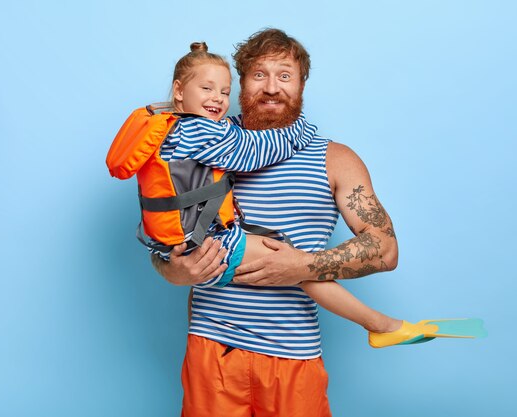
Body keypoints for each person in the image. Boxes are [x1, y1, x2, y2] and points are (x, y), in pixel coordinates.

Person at [152, 31, 400, 417]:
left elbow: (384, 249)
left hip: (292, 359)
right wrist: (174, 270)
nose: (271, 88)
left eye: (284, 75)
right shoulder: (208, 142)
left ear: (302, 84)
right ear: (240, 82)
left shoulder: (334, 158)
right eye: (258, 75)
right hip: (212, 352)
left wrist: (300, 267)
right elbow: (165, 229)